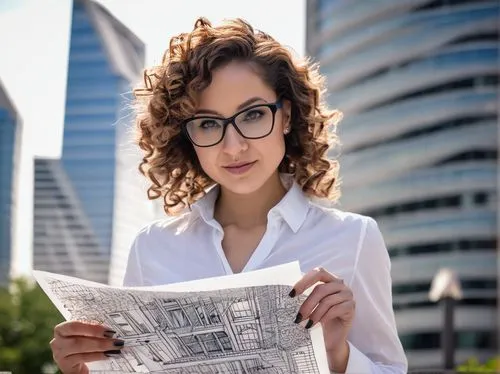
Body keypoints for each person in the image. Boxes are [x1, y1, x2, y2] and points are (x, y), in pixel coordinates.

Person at [50, 17, 408, 374]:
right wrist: (84, 370)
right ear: (185, 137)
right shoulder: (152, 248)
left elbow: (389, 369)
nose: (233, 146)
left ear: (285, 115)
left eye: (252, 115)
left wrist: (338, 355)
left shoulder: (354, 239)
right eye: (208, 124)